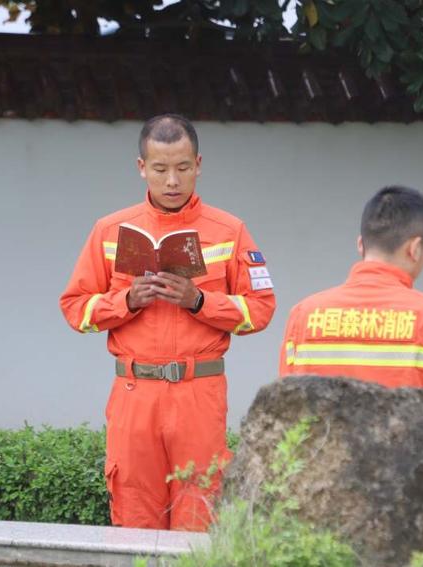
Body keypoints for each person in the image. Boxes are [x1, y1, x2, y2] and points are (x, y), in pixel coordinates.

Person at [60, 114, 276, 531]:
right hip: (134, 392)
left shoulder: (229, 231)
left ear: (199, 164)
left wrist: (200, 301)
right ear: (142, 167)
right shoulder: (109, 231)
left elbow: (261, 310)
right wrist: (125, 301)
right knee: (135, 513)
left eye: (182, 168)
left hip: (199, 392)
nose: (172, 181)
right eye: (160, 169)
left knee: (199, 510)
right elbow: (75, 309)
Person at [278, 186, 423, 437]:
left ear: (361, 245)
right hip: (409, 472)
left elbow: (286, 408)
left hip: (320, 471)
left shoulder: (303, 315)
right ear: (415, 248)